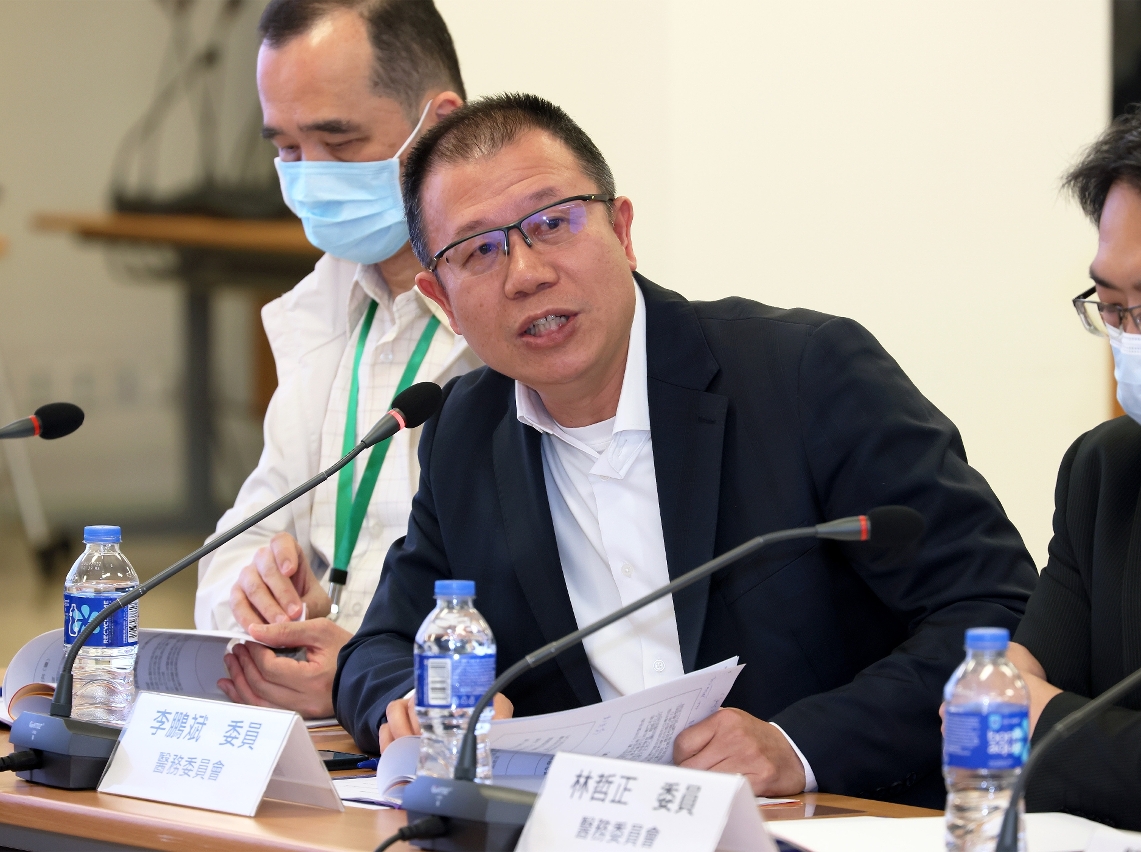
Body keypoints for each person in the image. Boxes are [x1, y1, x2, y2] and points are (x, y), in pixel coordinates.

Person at [334, 93, 1038, 808]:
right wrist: (409, 703)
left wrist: (799, 746)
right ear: (442, 300)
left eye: (551, 223)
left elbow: (995, 610)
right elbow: (377, 649)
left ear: (622, 230)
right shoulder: (463, 432)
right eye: (479, 250)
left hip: (833, 822)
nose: (525, 273)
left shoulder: (804, 374)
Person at [193, 0, 480, 720]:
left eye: (338, 141)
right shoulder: (321, 311)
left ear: (439, 124)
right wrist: (264, 595)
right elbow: (241, 544)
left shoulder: (514, 323)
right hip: (329, 729)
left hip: (440, 723)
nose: (310, 177)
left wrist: (359, 669)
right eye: (287, 149)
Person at [1005, 108, 1141, 831]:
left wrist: (1052, 725)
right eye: (1114, 308)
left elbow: (1033, 714)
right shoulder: (1105, 472)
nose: (1128, 336)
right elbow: (1010, 691)